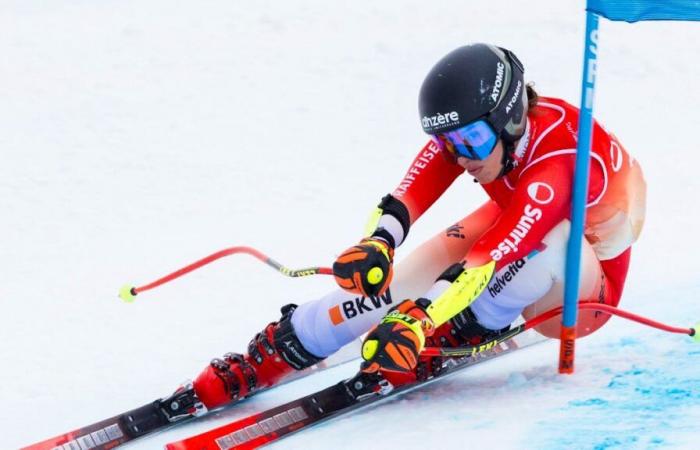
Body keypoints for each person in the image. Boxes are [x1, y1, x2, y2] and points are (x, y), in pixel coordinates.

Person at [192, 43, 646, 409]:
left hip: (579, 297)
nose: (462, 156)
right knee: (402, 278)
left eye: (472, 141)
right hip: (523, 227)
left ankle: (457, 331)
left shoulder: (560, 160)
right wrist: (380, 242)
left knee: (545, 243)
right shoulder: (484, 138)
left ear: (509, 120)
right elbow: (417, 187)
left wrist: (424, 314)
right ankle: (288, 344)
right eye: (449, 142)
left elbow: (505, 247)